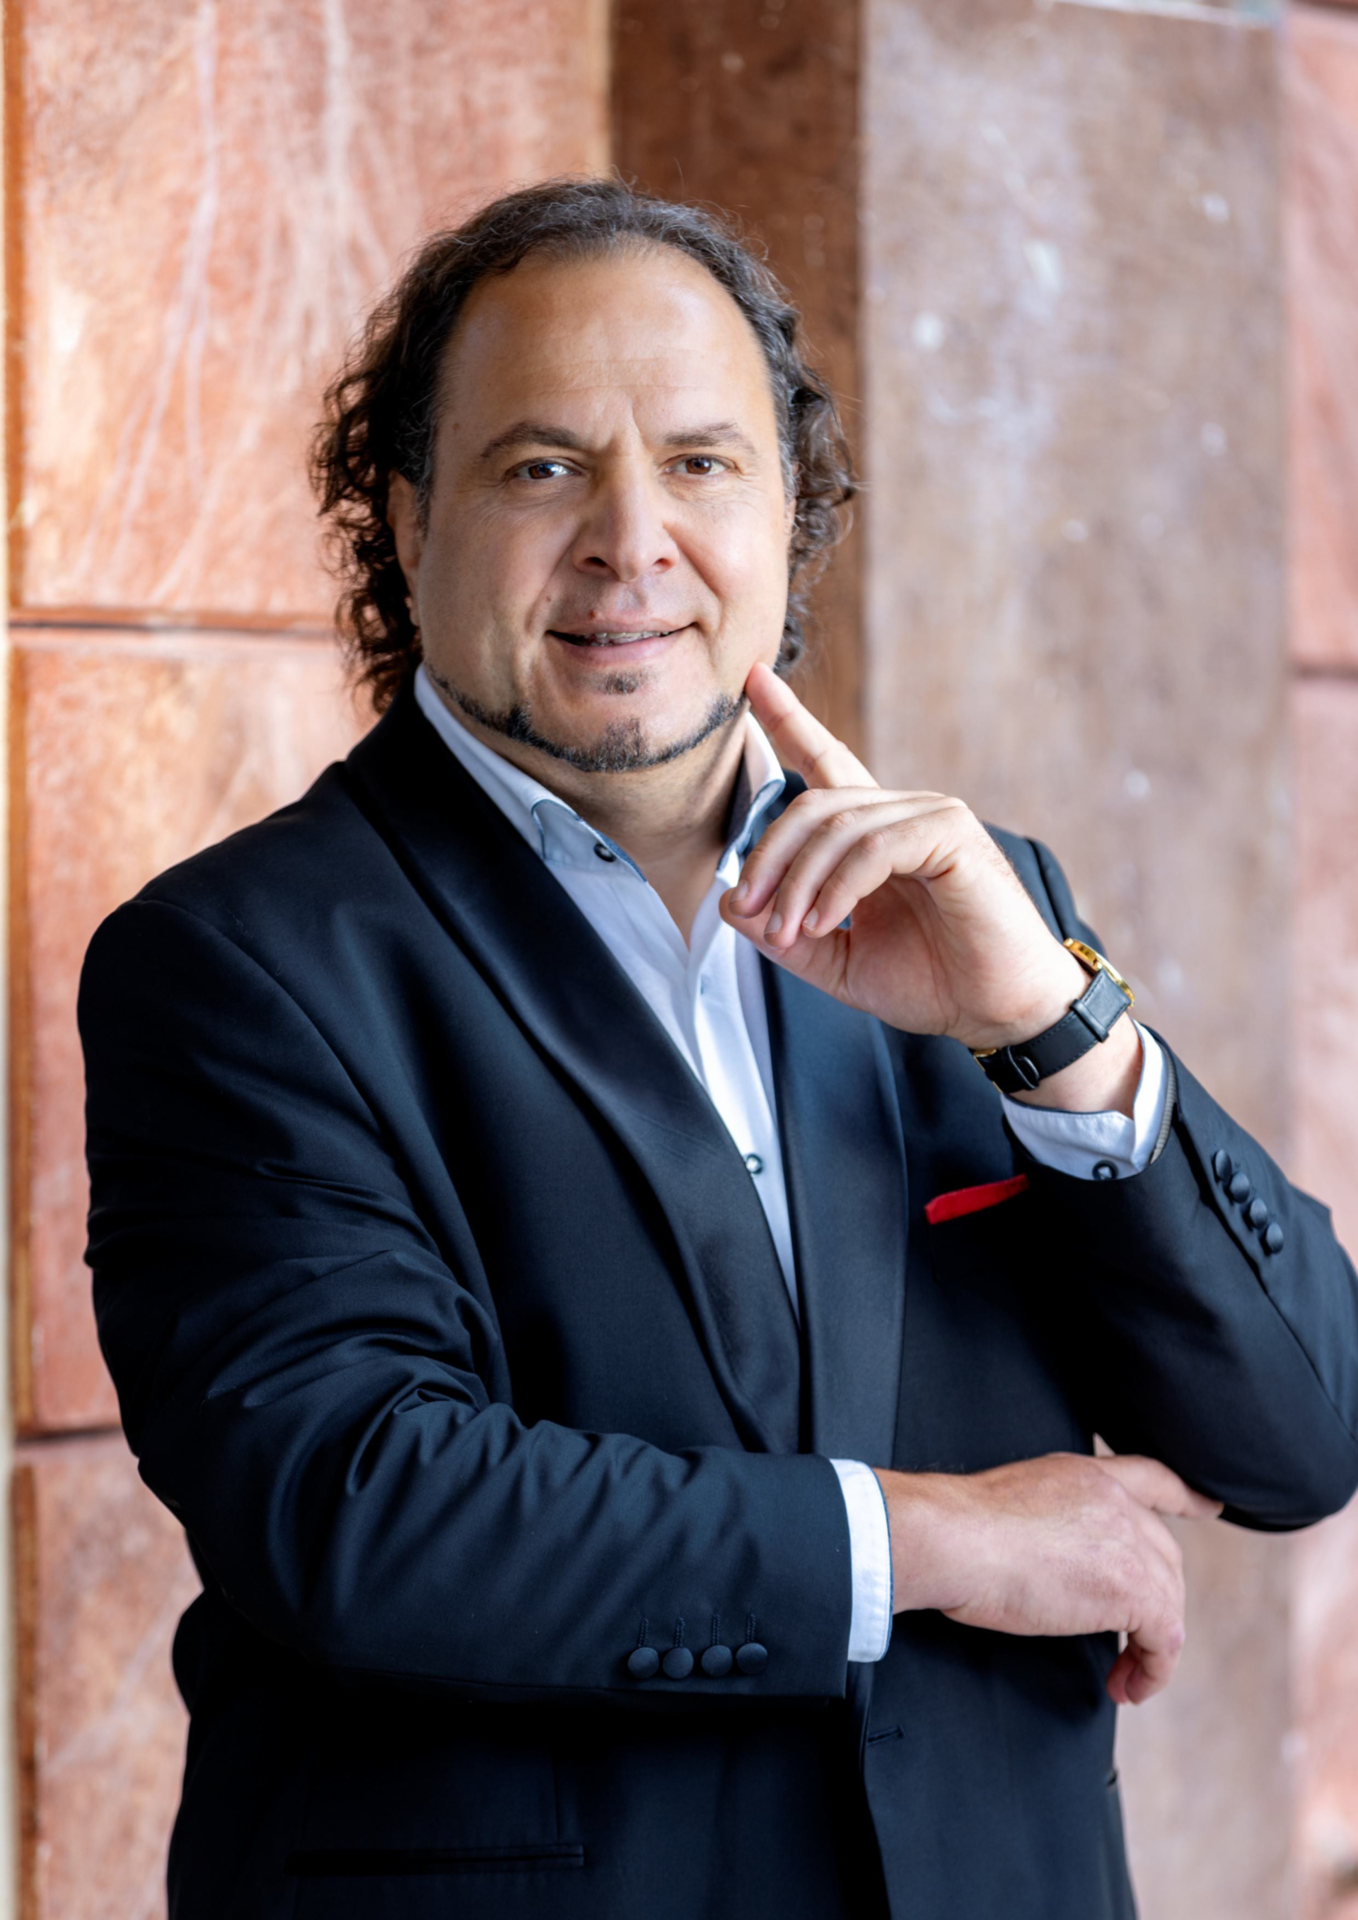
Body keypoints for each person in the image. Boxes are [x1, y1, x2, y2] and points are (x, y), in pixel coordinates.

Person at [80, 179, 1358, 1920]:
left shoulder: (977, 909)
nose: (632, 540)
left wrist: (1048, 1031)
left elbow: (1296, 1437)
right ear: (406, 515)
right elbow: (356, 1505)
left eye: (700, 462)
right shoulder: (236, 963)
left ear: (790, 512)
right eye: (543, 466)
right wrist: (932, 1540)